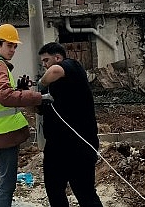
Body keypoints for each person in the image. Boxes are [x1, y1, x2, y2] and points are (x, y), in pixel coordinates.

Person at [0, 24, 45, 207]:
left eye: (15, 46)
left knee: (3, 181)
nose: (13, 50)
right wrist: (37, 97)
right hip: (4, 131)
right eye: (9, 45)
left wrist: (19, 90)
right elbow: (3, 95)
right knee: (7, 184)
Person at [38, 42, 103, 207]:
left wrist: (40, 83)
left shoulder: (72, 67)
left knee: (85, 194)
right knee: (54, 192)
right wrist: (26, 95)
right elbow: (37, 109)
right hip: (55, 148)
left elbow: (54, 71)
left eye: (46, 60)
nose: (44, 65)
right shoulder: (51, 87)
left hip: (79, 146)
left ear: (58, 57)